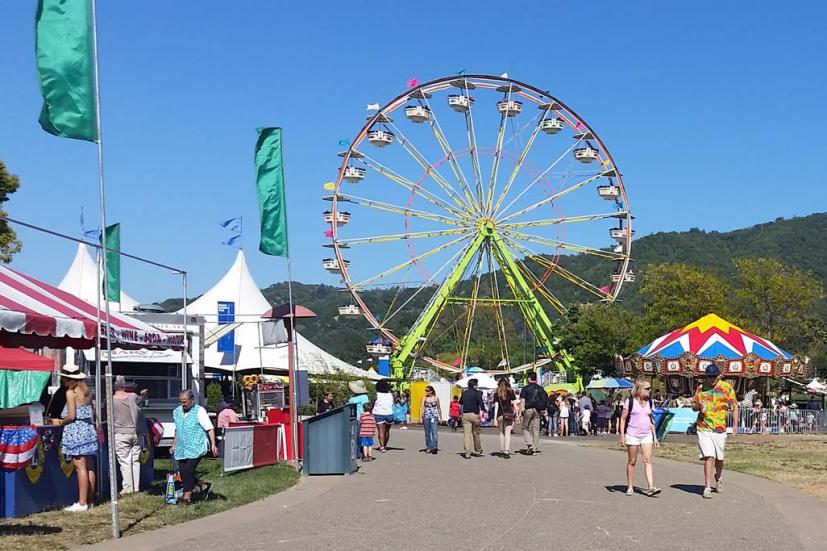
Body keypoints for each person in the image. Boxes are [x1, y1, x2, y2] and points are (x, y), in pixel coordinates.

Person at [53, 364, 98, 512]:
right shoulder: (86, 391)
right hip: (88, 429)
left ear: (68, 379)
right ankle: (90, 500)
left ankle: (82, 502)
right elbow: (93, 411)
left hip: (76, 431)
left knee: (80, 467)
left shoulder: (70, 393)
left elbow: (72, 416)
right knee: (90, 466)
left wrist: (60, 421)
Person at [692, 363, 738, 499]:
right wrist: (698, 406)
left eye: (713, 376)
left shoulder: (726, 388)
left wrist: (735, 424)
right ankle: (707, 486)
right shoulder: (701, 388)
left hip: (719, 427)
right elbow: (693, 406)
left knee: (719, 457)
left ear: (718, 376)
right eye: (709, 376)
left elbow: (734, 406)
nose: (711, 379)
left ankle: (718, 476)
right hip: (704, 426)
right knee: (709, 456)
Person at [171, 389, 218, 504]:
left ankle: (187, 497)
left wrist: (213, 444)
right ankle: (203, 485)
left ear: (192, 401)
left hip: (197, 445)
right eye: (181, 402)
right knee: (183, 472)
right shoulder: (176, 412)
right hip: (182, 447)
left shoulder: (199, 411)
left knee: (188, 470)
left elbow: (209, 428)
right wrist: (174, 445)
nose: (183, 404)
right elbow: (177, 429)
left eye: (185, 402)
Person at [619, 377, 660, 497]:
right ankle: (630, 486)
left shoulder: (650, 402)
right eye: (647, 388)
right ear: (639, 389)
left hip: (646, 434)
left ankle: (651, 486)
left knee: (648, 460)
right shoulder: (630, 402)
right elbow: (622, 419)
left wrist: (655, 437)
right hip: (632, 434)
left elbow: (651, 420)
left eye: (650, 388)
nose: (649, 391)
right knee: (632, 461)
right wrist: (622, 436)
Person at [113, 375, 147, 495]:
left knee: (125, 462)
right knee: (135, 460)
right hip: (135, 433)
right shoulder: (132, 397)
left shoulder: (111, 400)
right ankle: (135, 487)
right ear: (124, 385)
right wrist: (143, 394)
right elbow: (141, 402)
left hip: (120, 434)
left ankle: (128, 488)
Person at [520, 371, 547, 455]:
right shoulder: (541, 388)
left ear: (529, 379)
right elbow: (545, 399)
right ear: (536, 379)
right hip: (538, 410)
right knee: (535, 429)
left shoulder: (525, 388)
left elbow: (522, 401)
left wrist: (520, 411)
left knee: (525, 427)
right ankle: (534, 449)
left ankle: (530, 444)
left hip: (528, 409)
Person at [459, 378, 486, 458]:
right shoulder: (478, 393)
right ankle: (478, 450)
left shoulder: (464, 393)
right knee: (476, 434)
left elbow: (461, 403)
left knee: (467, 435)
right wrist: (484, 410)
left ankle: (467, 452)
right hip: (475, 414)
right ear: (475, 385)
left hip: (466, 414)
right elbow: (481, 403)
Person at [492, 378, 518, 458]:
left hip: (500, 414)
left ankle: (501, 450)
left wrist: (495, 418)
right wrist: (517, 415)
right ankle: (506, 451)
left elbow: (496, 406)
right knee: (507, 433)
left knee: (501, 433)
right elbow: (514, 404)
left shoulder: (497, 393)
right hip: (509, 414)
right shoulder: (510, 392)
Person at [419, 385, 442, 454]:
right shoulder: (424, 398)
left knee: (434, 432)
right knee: (427, 433)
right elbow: (421, 408)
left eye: (427, 390)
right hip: (426, 417)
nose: (425, 392)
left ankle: (434, 447)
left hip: (434, 417)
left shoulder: (436, 398)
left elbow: (439, 408)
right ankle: (429, 447)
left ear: (431, 391)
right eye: (425, 390)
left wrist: (440, 417)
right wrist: (420, 417)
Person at [373, 380, 394, 452]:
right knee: (387, 431)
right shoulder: (390, 395)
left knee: (381, 431)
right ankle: (385, 445)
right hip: (389, 413)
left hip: (379, 413)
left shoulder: (377, 395)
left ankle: (382, 447)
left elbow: (373, 403)